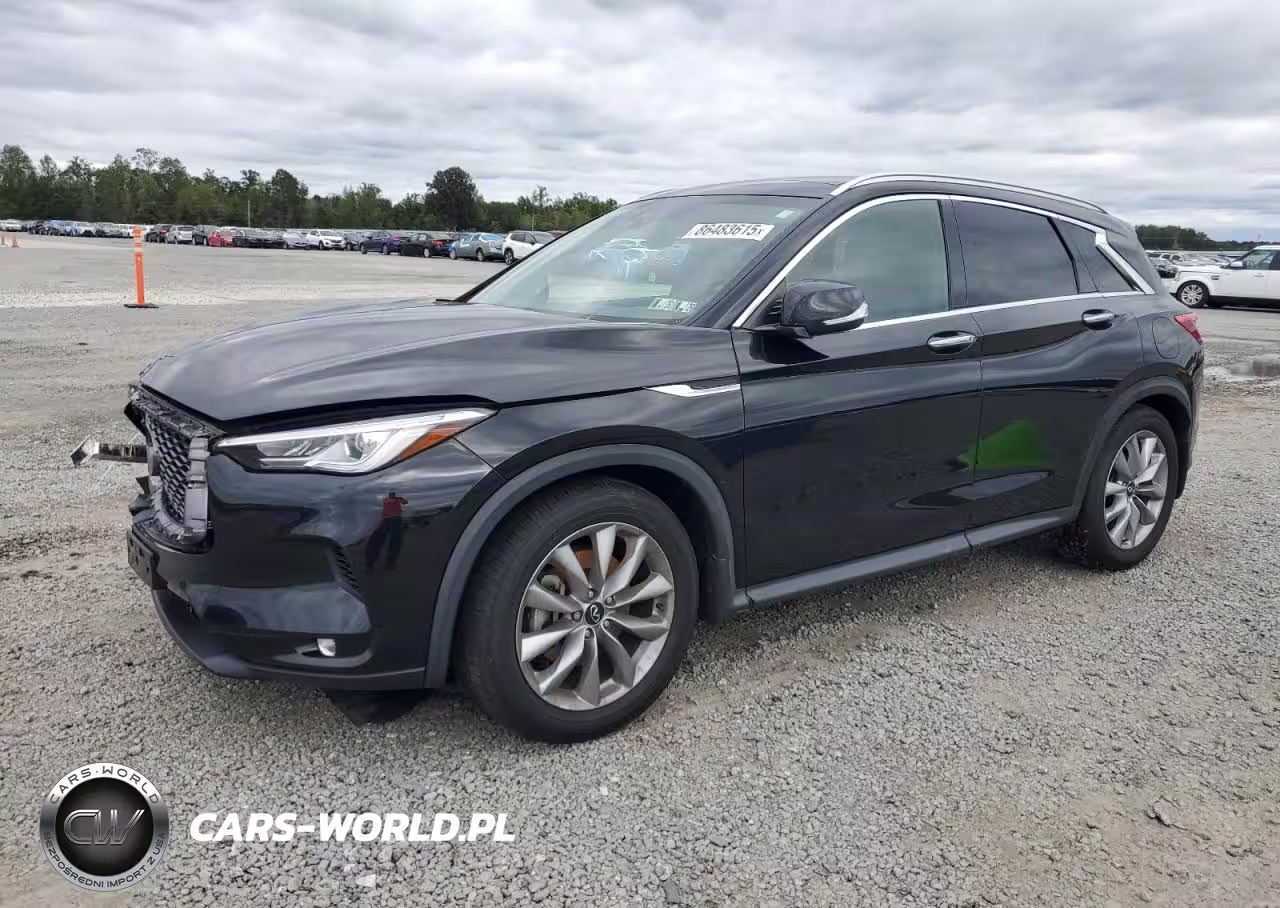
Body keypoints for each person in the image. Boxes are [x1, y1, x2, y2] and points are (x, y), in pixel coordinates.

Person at [365, 492, 407, 572]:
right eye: (391, 494)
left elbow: (405, 502)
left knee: (395, 541)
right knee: (376, 540)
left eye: (393, 494)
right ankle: (370, 563)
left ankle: (390, 562)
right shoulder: (383, 499)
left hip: (396, 520)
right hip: (385, 520)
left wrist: (399, 498)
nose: (392, 495)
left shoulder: (397, 499)